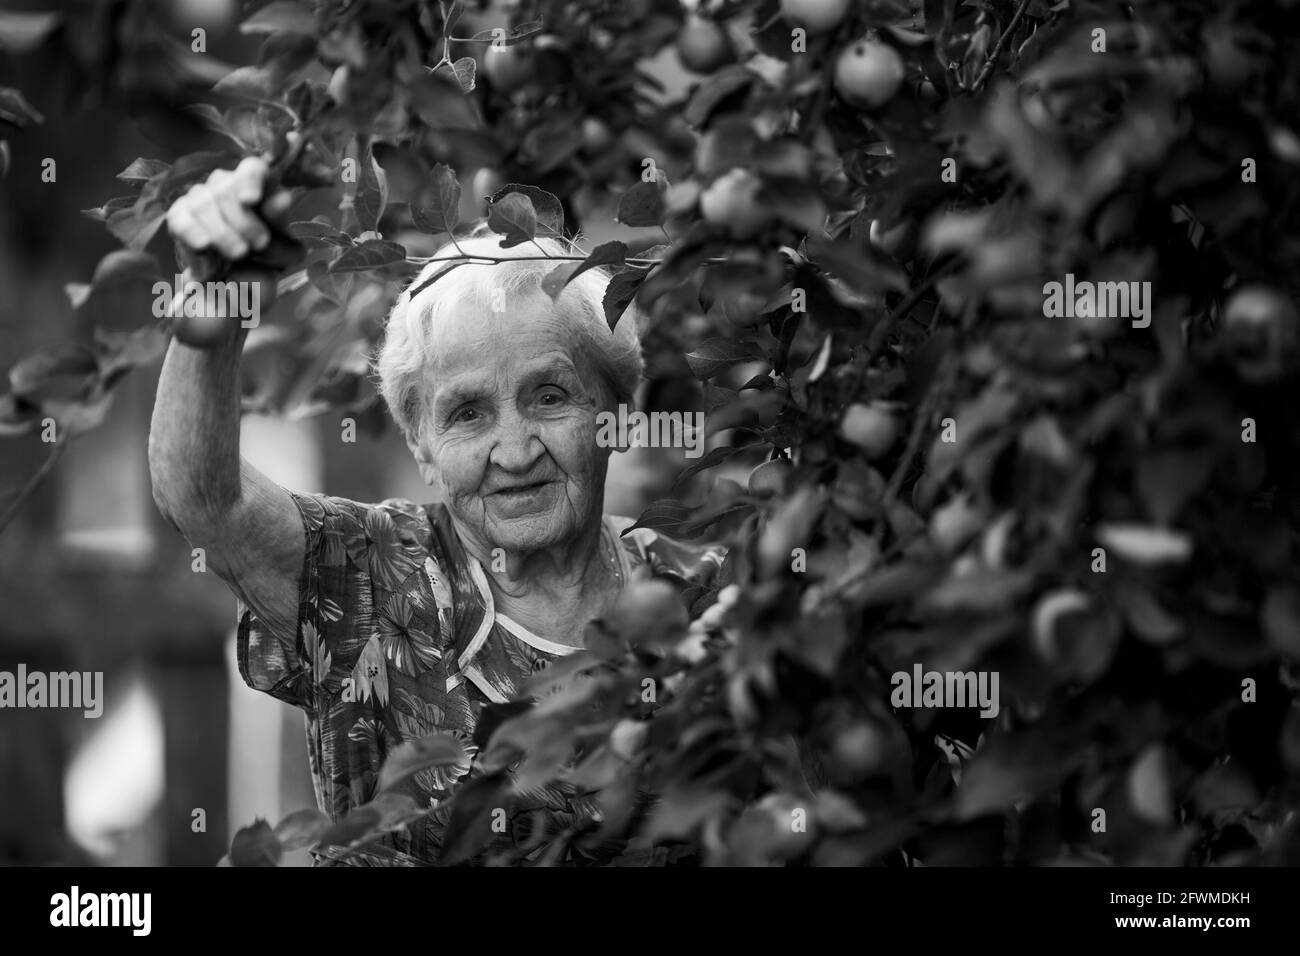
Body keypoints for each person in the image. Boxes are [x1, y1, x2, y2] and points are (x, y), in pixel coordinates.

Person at [150, 157, 727, 865]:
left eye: (549, 396)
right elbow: (205, 499)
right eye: (468, 413)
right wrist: (212, 317)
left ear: (617, 411)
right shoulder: (367, 572)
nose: (514, 452)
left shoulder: (708, 597)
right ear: (422, 446)